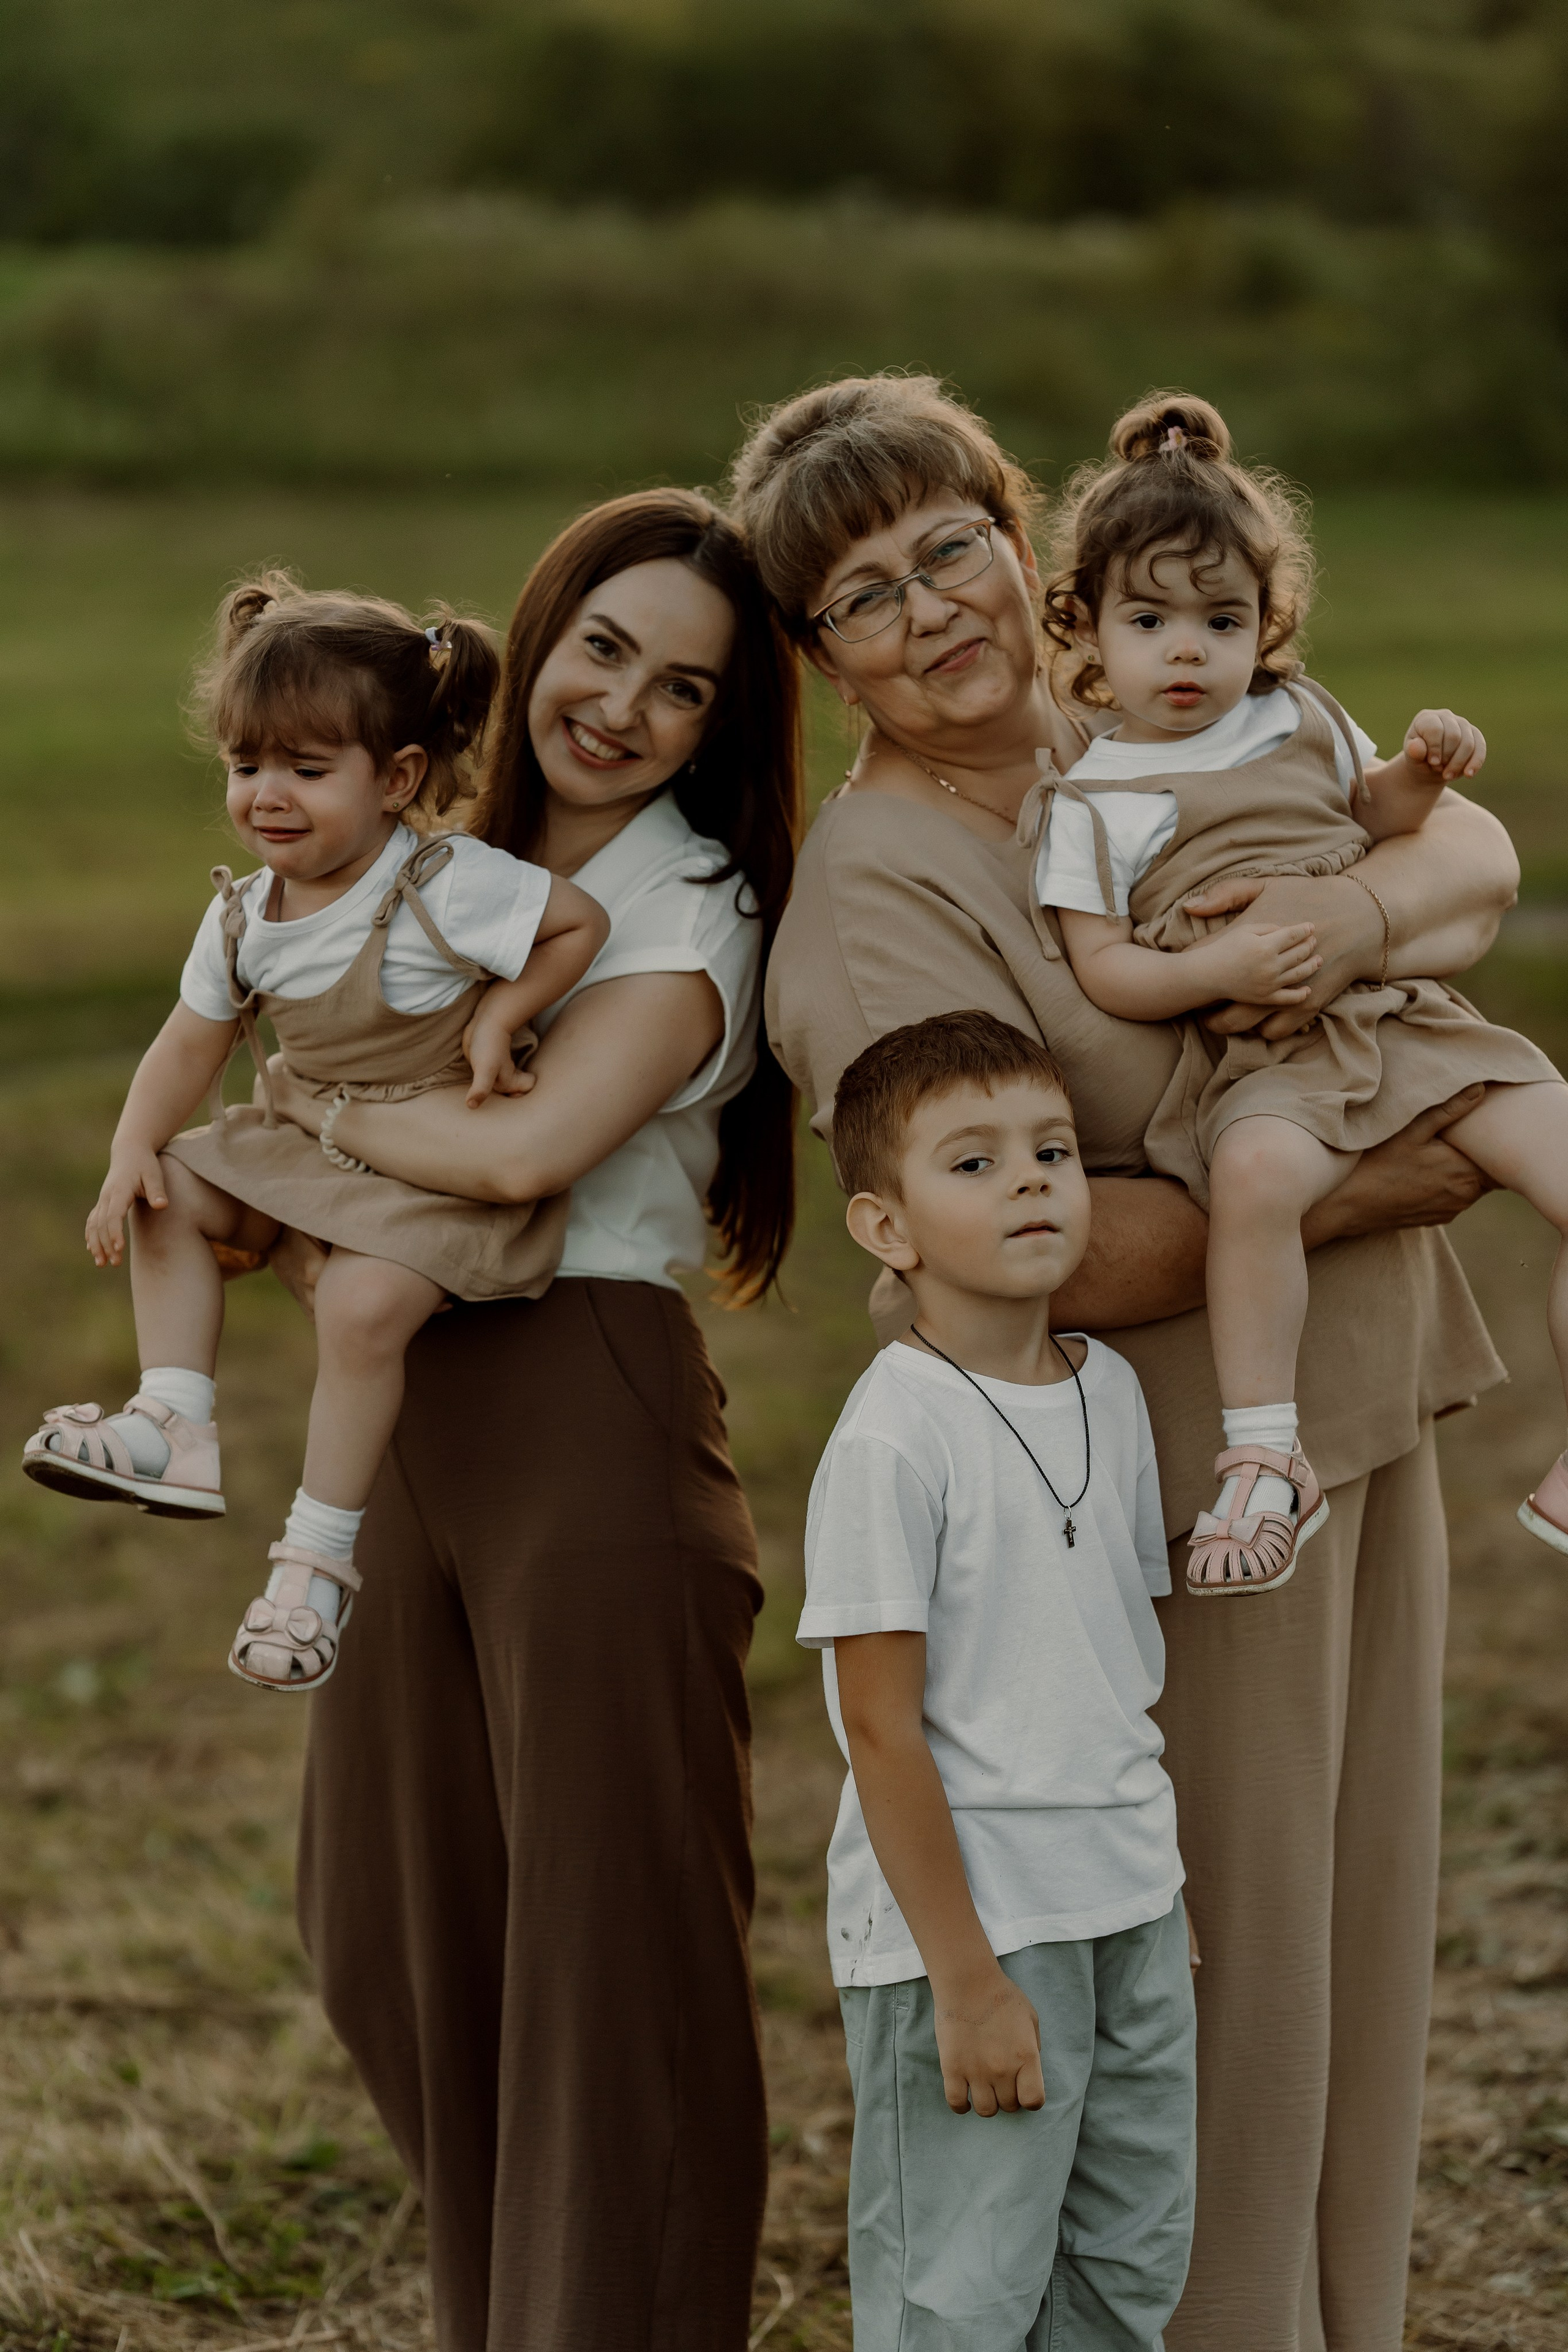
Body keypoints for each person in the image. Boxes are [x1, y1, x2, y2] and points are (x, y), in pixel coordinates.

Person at [733, 374, 1518, 2352]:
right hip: (1162, 1489)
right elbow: (1033, 1246)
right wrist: (1378, 1171)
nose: (932, 612)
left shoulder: (1154, 701)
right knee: (1235, 1993)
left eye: (951, 549)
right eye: (863, 597)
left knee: (1355, 1962)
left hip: (1362, 1400)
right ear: (817, 662)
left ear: (1029, 540)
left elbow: (1473, 862)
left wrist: (1350, 907)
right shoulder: (876, 903)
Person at [258, 491, 801, 2349]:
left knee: (613, 1979)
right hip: (413, 1418)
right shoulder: (430, 859)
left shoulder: (691, 902)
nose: (623, 705)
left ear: (718, 730)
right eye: (601, 649)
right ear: (541, 630)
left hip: (590, 1397)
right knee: (393, 1934)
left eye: (683, 688)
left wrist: (304, 1126)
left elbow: (528, 1151)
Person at [23, 578, 608, 1691]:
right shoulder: (246, 911)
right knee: (169, 1188)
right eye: (248, 768)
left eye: (306, 768)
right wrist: (127, 1151)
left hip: (430, 1162)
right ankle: (172, 1423)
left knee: (361, 1305)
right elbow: (187, 1046)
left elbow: (579, 921)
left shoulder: (438, 882)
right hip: (312, 1142)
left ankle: (315, 1563)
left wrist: (502, 1012)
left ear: (396, 780)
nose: (267, 798)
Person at [1033, 392, 1566, 1595]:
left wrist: (1418, 771)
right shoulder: (1092, 799)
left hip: (1397, 1021)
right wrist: (1209, 970)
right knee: (1253, 1182)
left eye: (1220, 621)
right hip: (1263, 1057)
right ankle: (1264, 1455)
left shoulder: (1299, 716)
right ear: (1083, 625)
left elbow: (1373, 816)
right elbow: (1101, 964)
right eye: (1148, 618)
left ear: (1264, 627)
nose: (1185, 649)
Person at [803, 1009, 1194, 2352]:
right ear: (885, 1230)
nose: (1028, 1179)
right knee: (957, 2300)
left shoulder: (1115, 1393)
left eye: (1051, 1150)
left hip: (1125, 1905)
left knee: (1122, 2273)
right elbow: (876, 1726)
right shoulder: (891, 1438)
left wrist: (1146, 1888)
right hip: (971, 1933)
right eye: (970, 1164)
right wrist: (962, 1980)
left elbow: (1109, 1665)